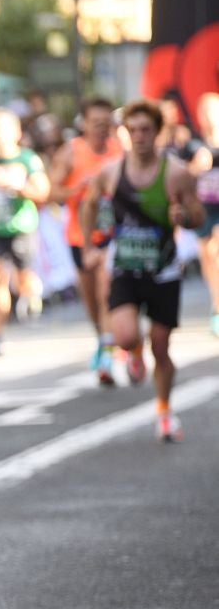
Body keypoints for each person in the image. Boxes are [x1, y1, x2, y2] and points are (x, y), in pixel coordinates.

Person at [80, 100, 205, 442]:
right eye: (132, 130)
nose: (139, 137)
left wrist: (185, 218)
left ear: (157, 132)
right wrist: (90, 246)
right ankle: (132, 352)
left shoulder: (176, 173)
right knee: (125, 336)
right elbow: (89, 205)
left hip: (163, 271)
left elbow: (198, 216)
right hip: (125, 268)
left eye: (145, 129)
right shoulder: (111, 173)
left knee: (161, 347)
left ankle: (164, 411)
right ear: (124, 133)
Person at [48, 98, 122, 383]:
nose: (103, 129)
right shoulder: (71, 153)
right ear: (85, 124)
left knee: (107, 289)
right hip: (80, 236)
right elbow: (51, 192)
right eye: (97, 123)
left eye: (107, 123)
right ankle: (101, 337)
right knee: (91, 298)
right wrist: (77, 189)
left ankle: (107, 349)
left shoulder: (119, 151)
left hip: (111, 235)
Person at [0, 108, 50, 357]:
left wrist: (17, 187)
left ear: (15, 132)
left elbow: (43, 192)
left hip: (21, 229)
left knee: (24, 281)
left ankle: (31, 292)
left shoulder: (27, 159)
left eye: (2, 130)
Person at [191, 93, 219, 337]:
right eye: (205, 113)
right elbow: (186, 175)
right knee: (208, 259)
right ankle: (216, 304)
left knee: (216, 251)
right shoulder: (194, 142)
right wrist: (196, 166)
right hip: (203, 207)